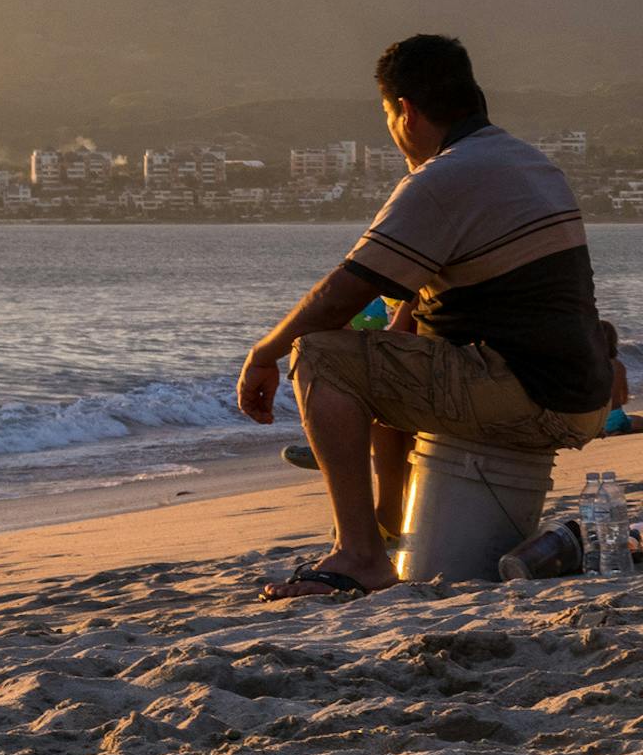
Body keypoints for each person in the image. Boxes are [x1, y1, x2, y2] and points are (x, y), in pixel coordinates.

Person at [238, 34, 614, 600]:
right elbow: (421, 310)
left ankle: (360, 556)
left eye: (389, 117)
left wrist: (263, 355)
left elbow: (338, 297)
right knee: (387, 355)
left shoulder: (443, 177)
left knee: (319, 355)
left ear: (406, 112)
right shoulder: (529, 162)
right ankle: (388, 532)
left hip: (526, 394)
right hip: (580, 394)